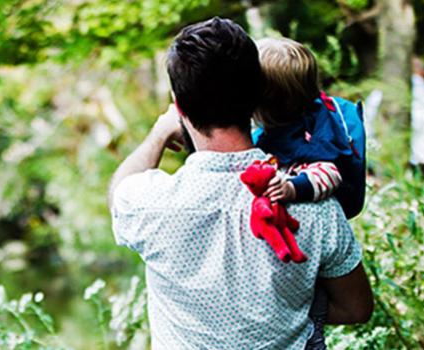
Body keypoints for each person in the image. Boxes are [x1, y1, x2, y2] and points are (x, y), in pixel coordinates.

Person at [108, 17, 373, 348]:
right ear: (257, 96)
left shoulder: (152, 203)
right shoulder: (316, 204)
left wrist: (160, 133)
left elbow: (120, 191)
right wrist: (288, 306)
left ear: (180, 106)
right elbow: (356, 308)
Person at [253, 36, 369, 348]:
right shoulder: (269, 132)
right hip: (284, 264)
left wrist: (293, 187)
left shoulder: (313, 134)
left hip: (308, 264)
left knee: (310, 327)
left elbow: (329, 173)